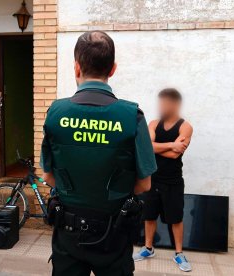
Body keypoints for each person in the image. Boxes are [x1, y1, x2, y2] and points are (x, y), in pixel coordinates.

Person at [41, 31, 157, 276]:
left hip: (68, 235)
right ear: (113, 69)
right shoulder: (132, 116)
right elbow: (145, 184)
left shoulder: (56, 112)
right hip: (114, 234)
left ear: (76, 67)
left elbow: (49, 176)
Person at [133, 88, 193, 272]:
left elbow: (176, 154)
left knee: (176, 218)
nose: (163, 106)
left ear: (175, 104)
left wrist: (163, 147)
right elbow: (147, 147)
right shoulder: (153, 124)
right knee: (149, 216)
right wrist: (171, 144)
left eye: (167, 103)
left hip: (173, 181)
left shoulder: (185, 127)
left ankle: (178, 253)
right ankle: (148, 248)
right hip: (153, 178)